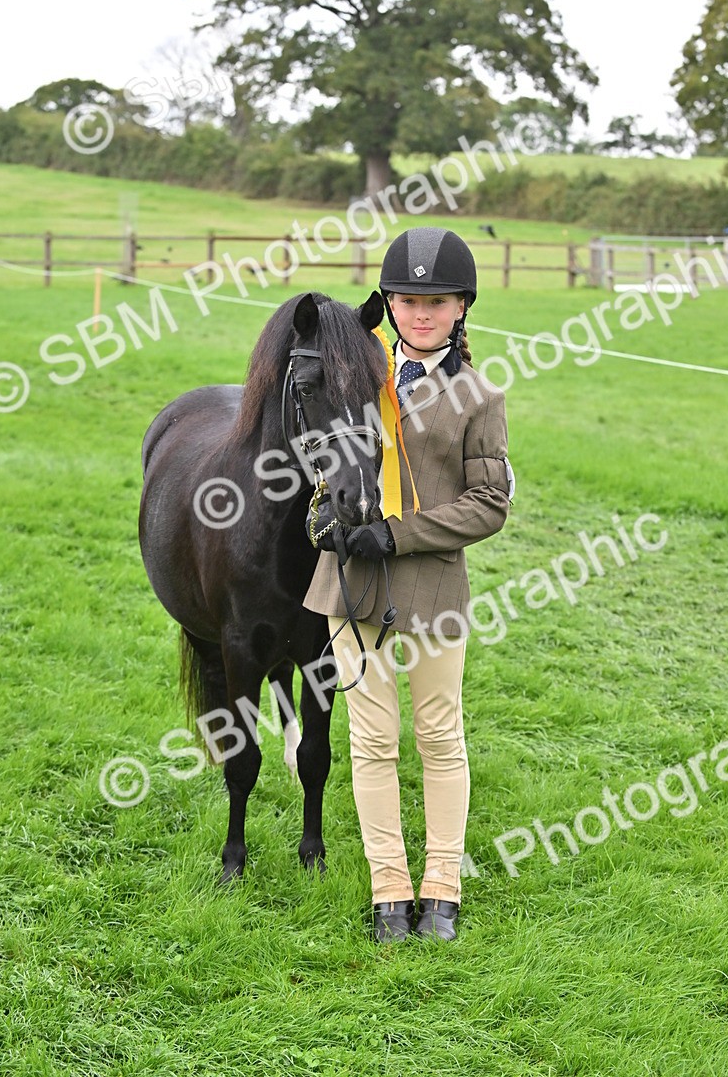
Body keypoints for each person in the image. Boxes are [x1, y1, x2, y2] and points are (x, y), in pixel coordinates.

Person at [303, 226, 514, 942]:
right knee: (370, 740)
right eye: (406, 299)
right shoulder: (356, 377)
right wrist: (326, 513)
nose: (420, 313)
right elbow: (318, 452)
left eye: (436, 301)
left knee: (438, 736)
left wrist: (396, 533)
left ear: (461, 308)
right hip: (352, 582)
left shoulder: (479, 395)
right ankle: (389, 888)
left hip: (429, 584)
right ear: (389, 304)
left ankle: (442, 888)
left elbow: (490, 504)